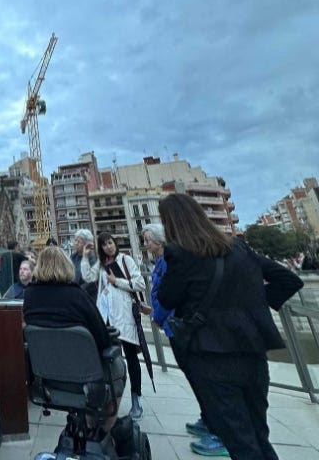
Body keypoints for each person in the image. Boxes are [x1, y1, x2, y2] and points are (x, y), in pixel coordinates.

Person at [156, 193, 301, 460]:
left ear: (171, 223)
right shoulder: (240, 248)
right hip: (253, 355)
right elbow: (289, 280)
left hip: (211, 358)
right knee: (259, 435)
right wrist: (252, 303)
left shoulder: (180, 254)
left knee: (240, 442)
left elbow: (167, 298)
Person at [23, 246, 125, 434]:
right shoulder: (77, 295)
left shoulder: (29, 295)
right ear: (67, 266)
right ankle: (105, 428)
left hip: (47, 379)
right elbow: (102, 338)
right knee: (118, 366)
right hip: (84, 378)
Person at [143, 223, 223, 456]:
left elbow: (171, 293)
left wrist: (158, 316)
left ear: (159, 241)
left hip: (176, 323)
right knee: (194, 376)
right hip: (170, 323)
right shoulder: (160, 262)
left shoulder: (169, 262)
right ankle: (208, 419)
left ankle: (218, 430)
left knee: (201, 378)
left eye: (148, 240)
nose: (146, 244)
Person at [95, 230, 146, 418]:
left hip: (125, 316)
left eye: (110, 242)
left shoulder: (126, 260)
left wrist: (117, 281)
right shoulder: (101, 266)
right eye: (104, 244)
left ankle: (136, 399)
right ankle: (109, 399)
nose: (108, 246)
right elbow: (101, 290)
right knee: (109, 359)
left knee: (131, 358)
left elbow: (139, 284)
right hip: (108, 318)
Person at [70, 229, 102, 298]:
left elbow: (91, 280)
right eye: (75, 240)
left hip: (87, 296)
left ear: (86, 244)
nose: (76, 243)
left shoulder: (92, 258)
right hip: (74, 293)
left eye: (79, 242)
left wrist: (78, 289)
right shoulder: (73, 257)